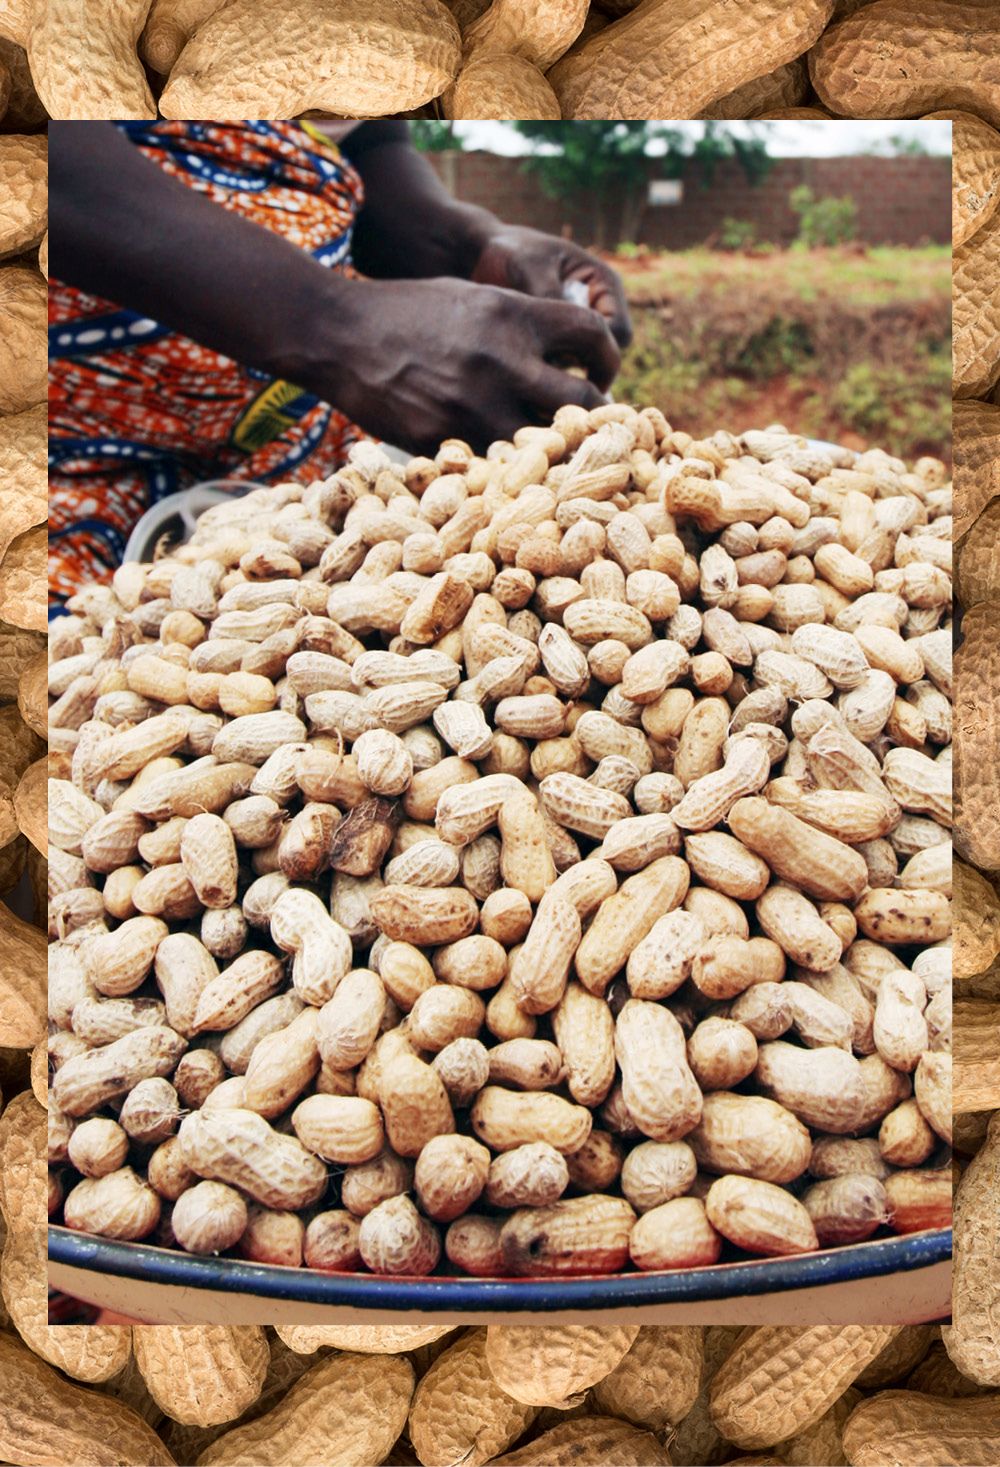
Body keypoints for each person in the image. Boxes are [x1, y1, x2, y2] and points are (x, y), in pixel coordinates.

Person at [48, 120, 632, 606]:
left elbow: (369, 137)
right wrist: (335, 323)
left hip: (308, 466)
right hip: (70, 471)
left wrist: (464, 238)